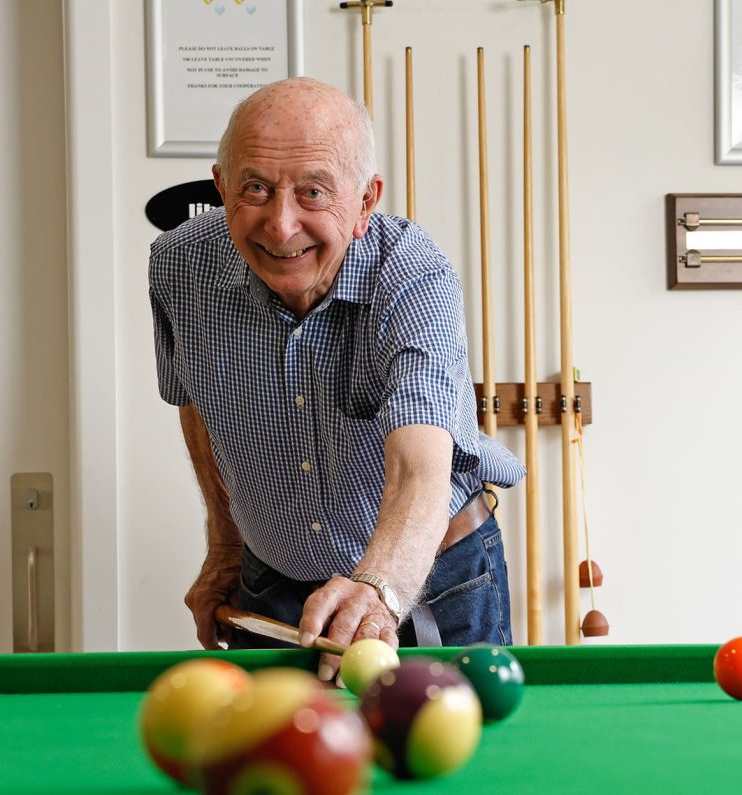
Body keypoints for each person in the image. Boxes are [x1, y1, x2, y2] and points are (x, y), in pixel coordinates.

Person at [149, 77, 524, 679]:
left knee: (446, 743)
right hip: (270, 580)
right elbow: (193, 399)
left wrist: (378, 588)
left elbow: (420, 462)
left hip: (433, 582)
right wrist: (224, 543)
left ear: (365, 201)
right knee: (277, 743)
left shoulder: (413, 275)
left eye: (313, 193)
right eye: (256, 188)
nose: (281, 224)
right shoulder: (179, 266)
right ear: (221, 188)